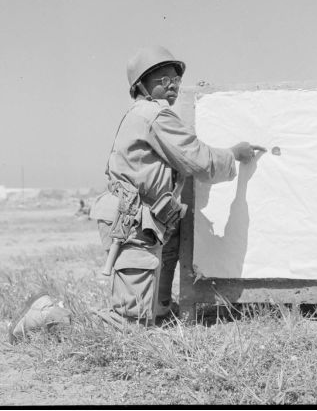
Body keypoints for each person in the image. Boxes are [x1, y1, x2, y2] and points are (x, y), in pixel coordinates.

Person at [91, 45, 265, 330]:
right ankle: (47, 321)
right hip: (135, 220)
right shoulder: (156, 116)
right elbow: (198, 160)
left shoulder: (139, 113)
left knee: (155, 304)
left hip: (139, 216)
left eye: (176, 80)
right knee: (128, 323)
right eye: (163, 80)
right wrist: (234, 154)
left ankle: (157, 309)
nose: (172, 86)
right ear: (142, 85)